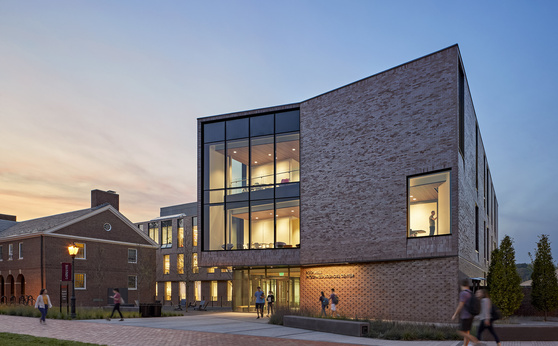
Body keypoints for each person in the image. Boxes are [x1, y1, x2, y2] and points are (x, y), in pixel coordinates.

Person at [452, 279, 482, 346]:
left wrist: (455, 314)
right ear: (468, 285)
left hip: (465, 316)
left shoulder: (463, 293)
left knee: (460, 332)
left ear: (461, 285)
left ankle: (475, 340)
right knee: (466, 332)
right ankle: (465, 345)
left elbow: (460, 305)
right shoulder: (470, 293)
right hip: (471, 316)